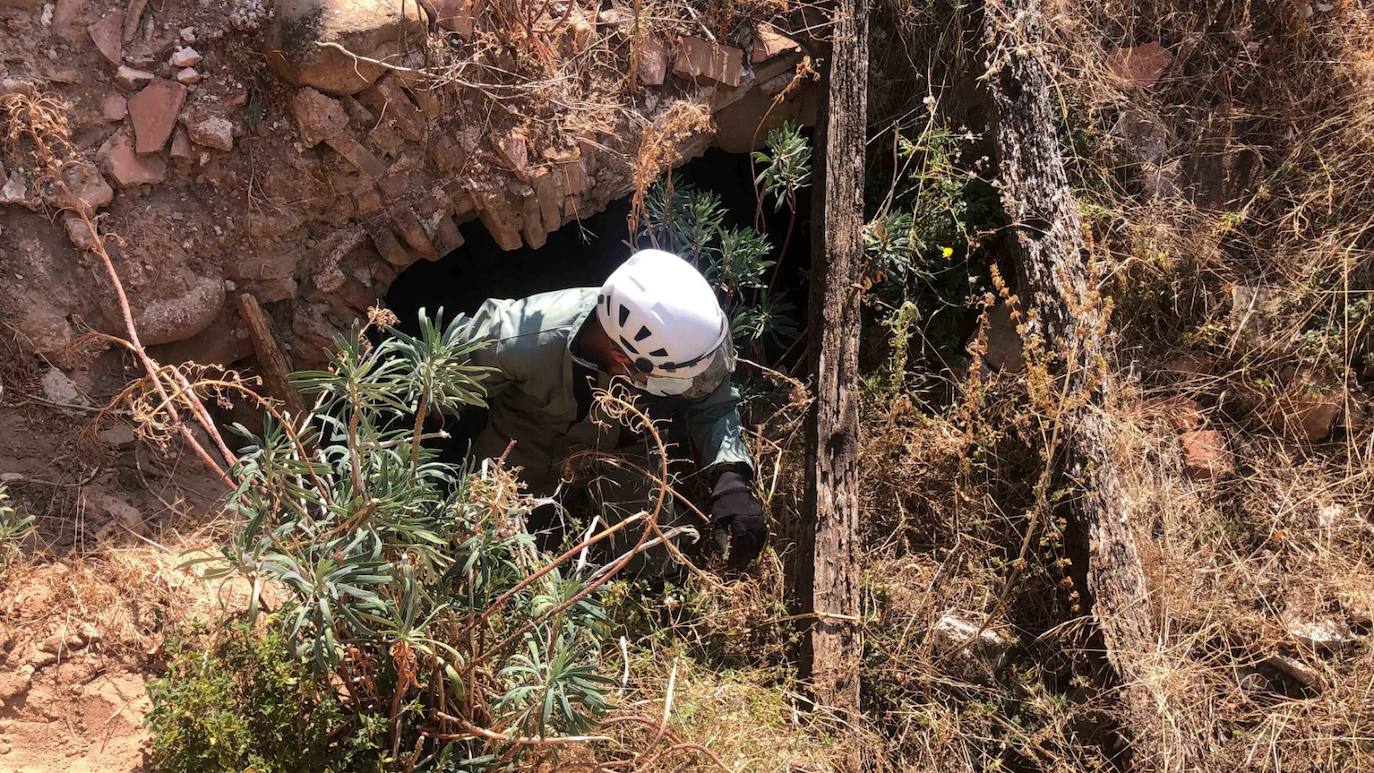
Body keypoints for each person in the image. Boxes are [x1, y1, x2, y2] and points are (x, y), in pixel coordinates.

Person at [458, 249, 767, 570]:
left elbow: (712, 402)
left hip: (627, 452)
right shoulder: (526, 336)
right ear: (624, 359)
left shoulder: (679, 346)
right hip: (523, 445)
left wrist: (730, 480)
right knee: (482, 550)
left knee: (654, 563)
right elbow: (438, 370)